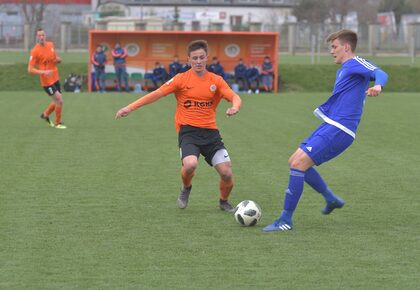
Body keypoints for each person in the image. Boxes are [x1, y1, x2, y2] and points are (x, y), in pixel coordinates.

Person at [263, 29, 388, 232]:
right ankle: (331, 199)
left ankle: (285, 220)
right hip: (331, 125)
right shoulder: (344, 68)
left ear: (346, 47)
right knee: (294, 161)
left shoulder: (356, 63)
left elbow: (380, 73)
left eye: (334, 46)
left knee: (297, 163)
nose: (332, 51)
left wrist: (379, 86)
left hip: (340, 129)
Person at [115, 40, 242, 212]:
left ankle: (223, 201)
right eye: (195, 58)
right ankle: (186, 187)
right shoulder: (181, 79)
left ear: (207, 59)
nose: (198, 61)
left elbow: (234, 96)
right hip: (188, 131)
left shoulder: (216, 80)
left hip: (211, 133)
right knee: (190, 165)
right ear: (188, 60)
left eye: (202, 57)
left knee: (226, 173)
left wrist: (235, 107)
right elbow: (156, 94)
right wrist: (129, 107)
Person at [28, 28, 66, 129]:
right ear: (36, 37)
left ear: (45, 36)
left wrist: (58, 60)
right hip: (46, 81)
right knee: (60, 101)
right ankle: (58, 123)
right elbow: (30, 69)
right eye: (39, 35)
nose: (41, 37)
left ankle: (45, 115)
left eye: (43, 35)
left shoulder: (51, 45)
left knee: (57, 101)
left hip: (55, 76)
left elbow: (53, 58)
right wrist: (43, 72)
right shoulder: (34, 51)